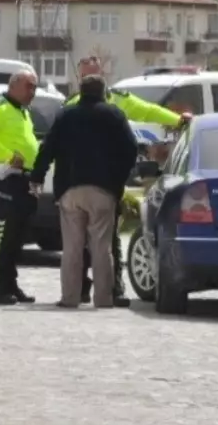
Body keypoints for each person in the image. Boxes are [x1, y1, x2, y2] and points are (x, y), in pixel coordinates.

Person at [66, 56, 190, 307]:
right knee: (77, 245)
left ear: (103, 76)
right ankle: (78, 289)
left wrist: (177, 120)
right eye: (85, 75)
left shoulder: (118, 100)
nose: (90, 79)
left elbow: (147, 110)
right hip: (78, 182)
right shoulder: (71, 106)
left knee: (109, 240)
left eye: (94, 74)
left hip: (108, 182)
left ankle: (114, 288)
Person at [30, 74, 138, 308]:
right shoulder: (114, 115)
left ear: (80, 91)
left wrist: (37, 176)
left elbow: (48, 148)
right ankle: (103, 298)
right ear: (103, 91)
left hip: (70, 188)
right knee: (101, 247)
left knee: (72, 248)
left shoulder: (66, 114)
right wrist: (118, 180)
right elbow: (130, 149)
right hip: (103, 190)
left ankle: (69, 298)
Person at [0, 69, 41, 306]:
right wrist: (7, 155)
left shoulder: (23, 112)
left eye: (35, 87)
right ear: (14, 85)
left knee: (16, 236)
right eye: (29, 86)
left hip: (23, 181)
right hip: (5, 179)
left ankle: (9, 284)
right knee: (1, 234)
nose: (33, 92)